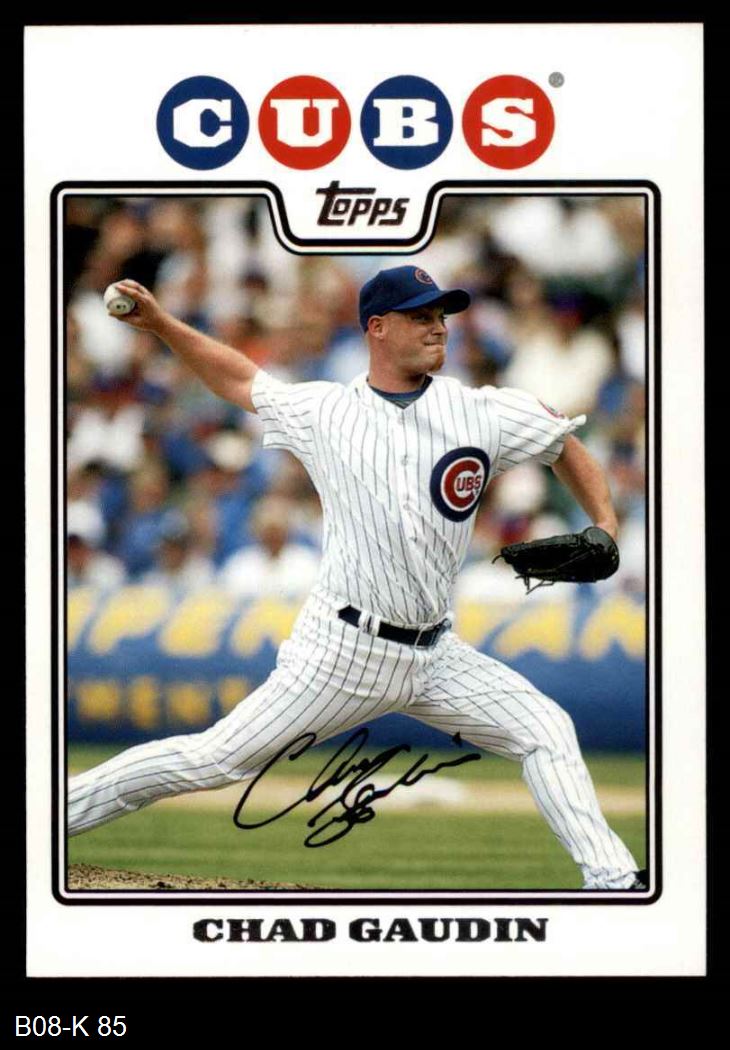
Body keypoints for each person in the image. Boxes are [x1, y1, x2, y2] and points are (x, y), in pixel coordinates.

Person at [67, 266, 645, 891]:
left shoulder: (481, 411)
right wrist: (160, 324)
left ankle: (612, 881)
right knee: (213, 760)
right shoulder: (326, 410)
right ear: (377, 328)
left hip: (436, 654)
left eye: (441, 315)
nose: (438, 327)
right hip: (344, 651)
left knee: (545, 729)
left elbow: (563, 443)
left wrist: (606, 522)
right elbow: (237, 378)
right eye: (420, 316)